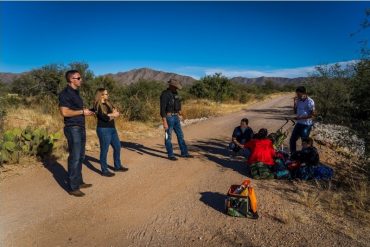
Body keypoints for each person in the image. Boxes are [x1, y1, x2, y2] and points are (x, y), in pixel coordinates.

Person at [59, 70, 94, 197]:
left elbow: (77, 110)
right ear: (71, 79)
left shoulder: (76, 92)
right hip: (73, 128)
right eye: (78, 78)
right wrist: (82, 112)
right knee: (74, 157)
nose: (81, 79)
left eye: (80, 77)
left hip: (80, 127)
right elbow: (64, 112)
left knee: (81, 156)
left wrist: (86, 112)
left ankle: (78, 181)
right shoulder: (65, 94)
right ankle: (73, 187)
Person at [94, 88, 129, 177]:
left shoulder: (108, 103)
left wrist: (111, 115)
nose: (107, 95)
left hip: (112, 128)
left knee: (117, 147)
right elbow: (103, 118)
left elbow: (116, 112)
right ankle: (104, 170)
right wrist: (112, 115)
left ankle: (117, 166)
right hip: (103, 129)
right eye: (106, 94)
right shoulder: (97, 105)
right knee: (104, 150)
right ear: (101, 95)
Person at [160, 78, 192, 161]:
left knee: (180, 135)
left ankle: (184, 153)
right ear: (170, 86)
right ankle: (170, 155)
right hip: (168, 118)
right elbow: (162, 109)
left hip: (176, 117)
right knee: (168, 137)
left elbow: (178, 104)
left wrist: (180, 112)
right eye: (175, 86)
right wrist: (164, 122)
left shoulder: (175, 93)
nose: (176, 88)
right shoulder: (165, 94)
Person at [289, 86, 315, 153]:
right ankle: (293, 154)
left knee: (304, 142)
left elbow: (312, 115)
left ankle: (304, 156)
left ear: (304, 93)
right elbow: (295, 112)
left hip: (306, 125)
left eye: (299, 94)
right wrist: (294, 103)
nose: (298, 96)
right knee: (292, 140)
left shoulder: (310, 101)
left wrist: (300, 117)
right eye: (297, 94)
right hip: (299, 123)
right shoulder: (298, 100)